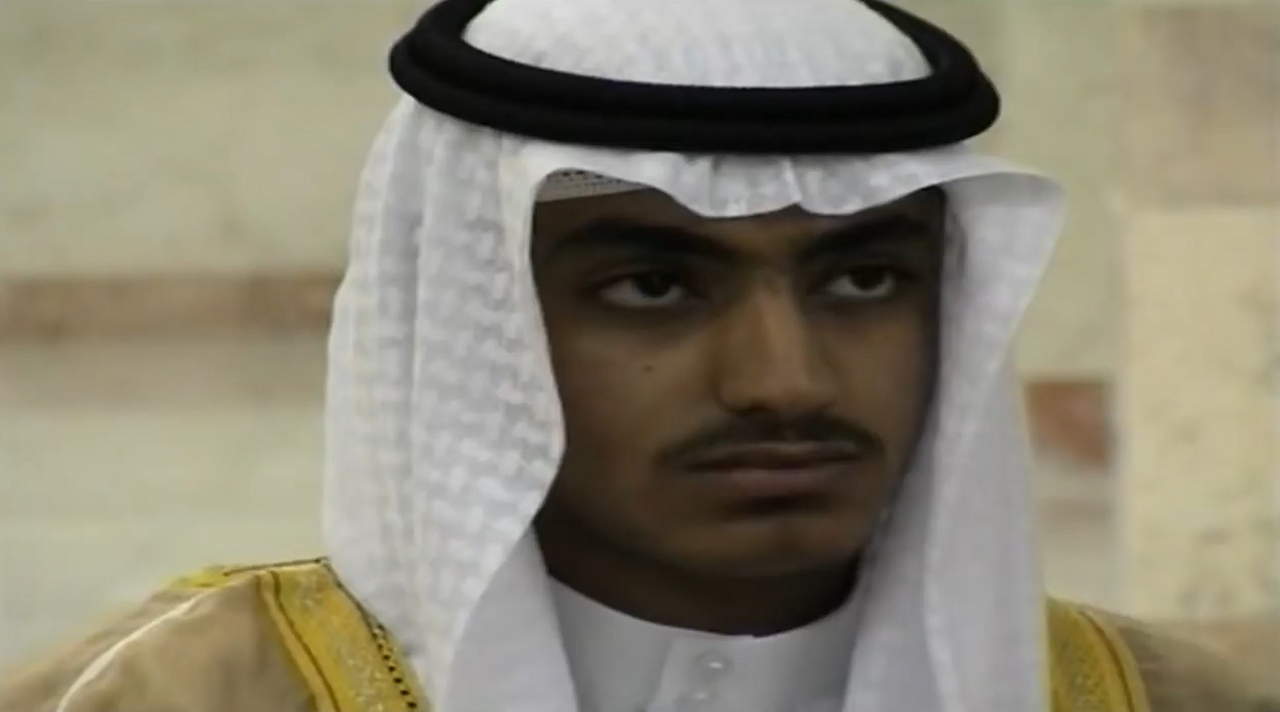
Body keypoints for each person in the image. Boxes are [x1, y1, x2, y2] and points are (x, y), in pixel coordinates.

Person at [2, 1, 1272, 710]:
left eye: (862, 279)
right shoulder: (179, 695)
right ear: (474, 324)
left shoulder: (1156, 698)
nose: (783, 379)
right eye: (653, 286)